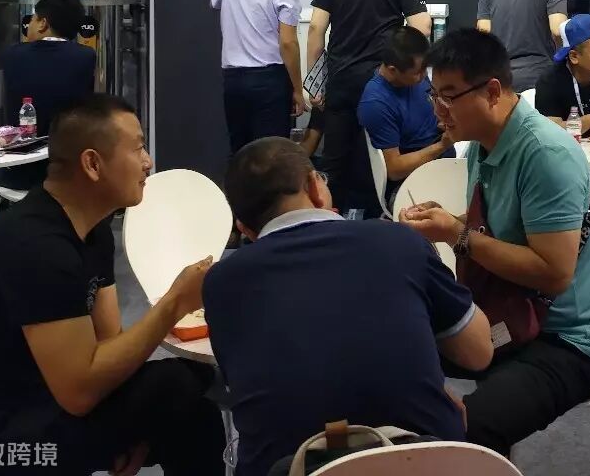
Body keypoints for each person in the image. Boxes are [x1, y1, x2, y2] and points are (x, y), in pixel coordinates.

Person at [0, 95, 224, 476]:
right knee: (176, 384)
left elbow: (110, 348)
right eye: (137, 148)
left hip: (33, 399)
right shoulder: (37, 247)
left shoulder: (92, 232)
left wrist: (139, 429)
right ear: (92, 164)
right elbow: (81, 393)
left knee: (191, 410)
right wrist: (173, 303)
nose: (148, 162)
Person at [205, 138, 493, 476]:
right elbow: (479, 352)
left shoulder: (221, 283)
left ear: (244, 228)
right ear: (315, 187)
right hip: (424, 461)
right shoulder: (399, 242)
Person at [399, 29, 590, 457]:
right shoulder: (484, 142)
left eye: (449, 97)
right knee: (382, 355)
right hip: (503, 314)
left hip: (562, 338)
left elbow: (553, 274)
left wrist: (455, 233)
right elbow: (501, 226)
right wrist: (448, 222)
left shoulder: (544, 154)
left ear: (493, 91)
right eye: (434, 95)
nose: (439, 111)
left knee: (464, 432)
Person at [308, 0, 431, 218]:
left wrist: (314, 81)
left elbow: (315, 28)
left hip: (339, 79)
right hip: (381, 84)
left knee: (335, 162)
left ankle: (330, 222)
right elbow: (422, 27)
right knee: (374, 163)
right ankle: (371, 225)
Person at [212, 0, 306, 158]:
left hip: (233, 79)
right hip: (269, 80)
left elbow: (216, 4)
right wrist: (297, 90)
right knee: (271, 155)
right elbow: (288, 43)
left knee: (240, 151)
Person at [0, 0, 98, 190]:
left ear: (43, 23)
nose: (30, 25)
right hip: (70, 173)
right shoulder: (86, 56)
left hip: (19, 173)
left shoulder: (13, 55)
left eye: (33, 19)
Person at [357, 26, 455, 208]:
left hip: (442, 158)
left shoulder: (414, 78)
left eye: (425, 69)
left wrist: (445, 121)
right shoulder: (376, 103)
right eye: (418, 72)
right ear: (393, 70)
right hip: (410, 179)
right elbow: (394, 169)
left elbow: (428, 109)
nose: (424, 76)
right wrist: (442, 145)